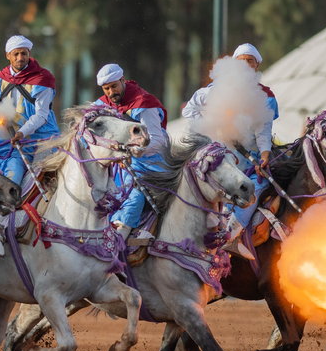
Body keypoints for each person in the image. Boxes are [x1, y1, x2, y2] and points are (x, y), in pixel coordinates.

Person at [182, 43, 279, 260]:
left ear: (257, 66)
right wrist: (213, 124)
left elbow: (264, 129)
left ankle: (230, 237)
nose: (245, 65)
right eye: (241, 61)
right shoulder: (212, 91)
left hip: (250, 158)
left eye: (250, 61)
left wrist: (265, 154)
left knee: (260, 184)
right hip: (220, 155)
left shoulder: (266, 96)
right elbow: (190, 111)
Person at [0, 35, 60, 256]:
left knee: (54, 181)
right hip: (11, 141)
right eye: (16, 54)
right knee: (9, 181)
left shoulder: (43, 79)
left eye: (24, 53)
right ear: (8, 56)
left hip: (43, 140)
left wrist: (22, 131)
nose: (20, 57)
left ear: (29, 54)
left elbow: (41, 114)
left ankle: (55, 227)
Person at [94, 63, 169, 242]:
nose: (111, 92)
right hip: (117, 162)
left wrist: (135, 152)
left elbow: (157, 140)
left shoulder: (143, 103)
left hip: (149, 161)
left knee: (134, 195)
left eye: (114, 86)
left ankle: (119, 239)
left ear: (122, 80)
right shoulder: (102, 105)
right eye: (107, 89)